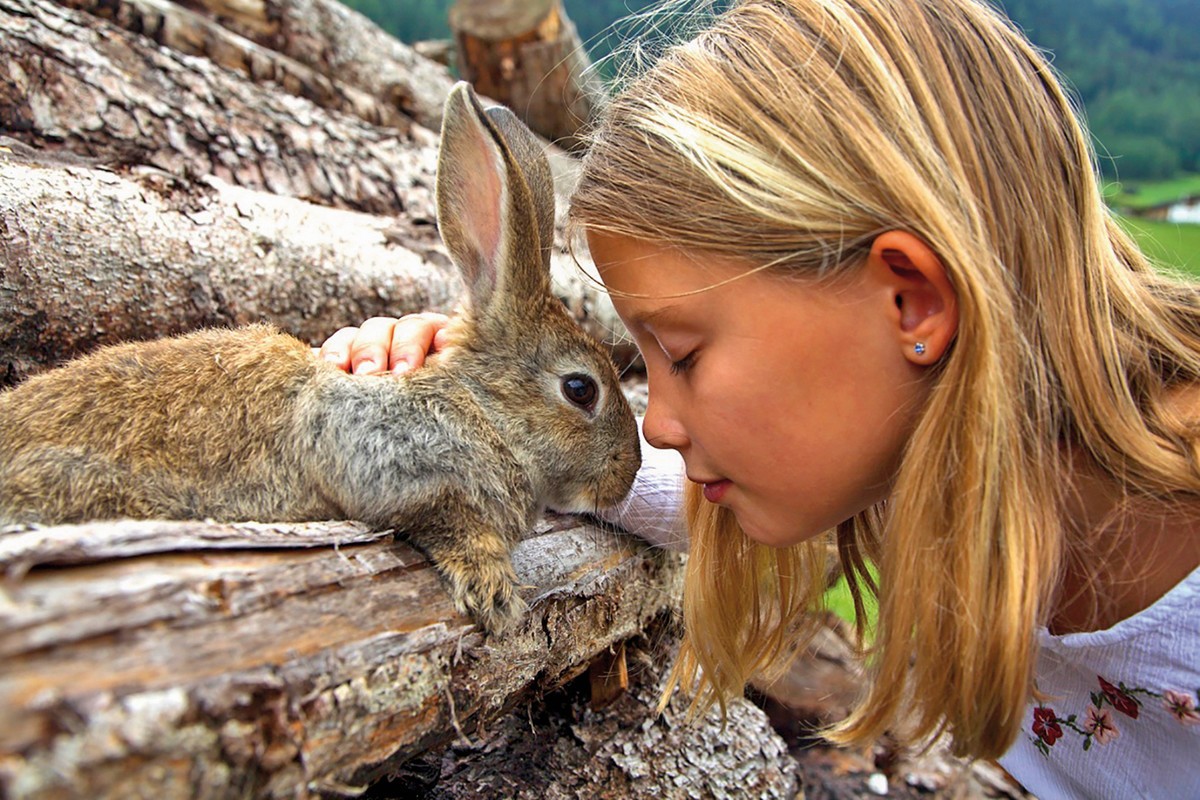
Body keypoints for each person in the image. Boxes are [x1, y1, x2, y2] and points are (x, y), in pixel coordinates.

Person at [320, 0, 1200, 795]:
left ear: (913, 303)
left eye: (686, 358)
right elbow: (645, 485)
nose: (659, 420)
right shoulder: (923, 454)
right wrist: (464, 398)